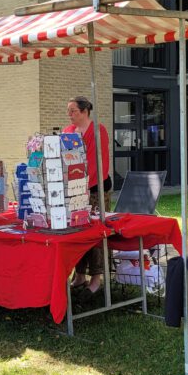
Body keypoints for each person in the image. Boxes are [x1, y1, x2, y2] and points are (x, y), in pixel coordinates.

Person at [64, 95, 111, 293]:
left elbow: (98, 163)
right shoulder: (67, 131)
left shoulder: (98, 131)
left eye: (73, 111)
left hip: (95, 187)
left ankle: (97, 276)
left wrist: (84, 184)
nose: (70, 115)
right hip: (75, 189)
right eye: (69, 111)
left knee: (97, 231)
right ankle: (80, 273)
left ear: (84, 111)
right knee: (78, 231)